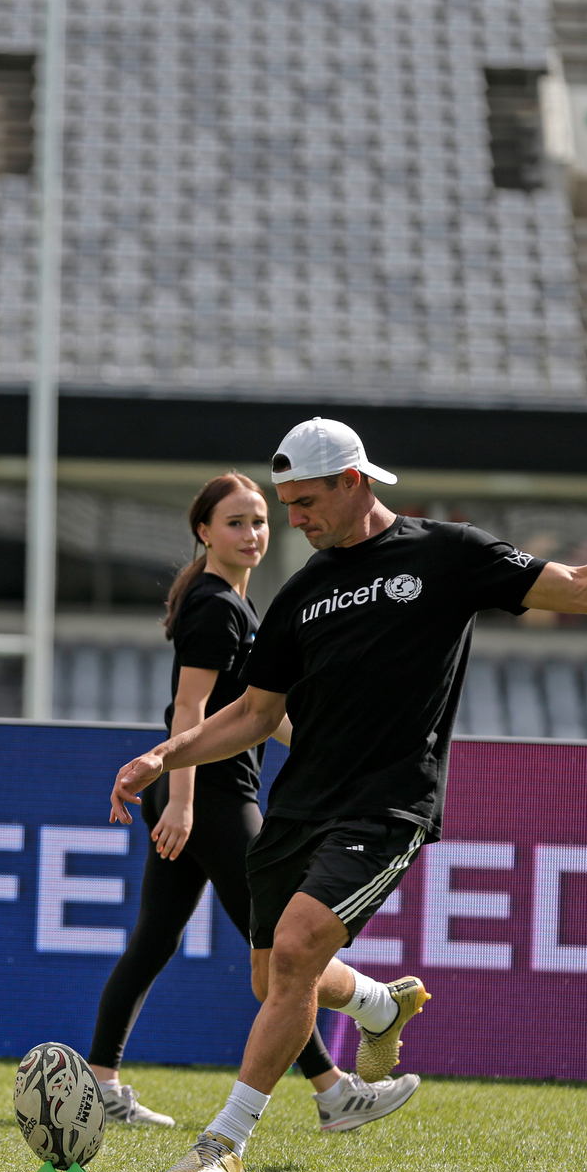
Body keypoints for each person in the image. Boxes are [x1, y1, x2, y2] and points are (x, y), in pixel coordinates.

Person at [111, 418, 587, 1172]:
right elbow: (255, 716)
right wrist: (165, 756)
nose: (291, 521)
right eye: (284, 505)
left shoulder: (448, 553)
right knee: (276, 982)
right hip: (299, 809)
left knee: (299, 950)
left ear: (355, 482)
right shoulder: (300, 593)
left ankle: (225, 1144)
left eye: (304, 503)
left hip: (386, 806)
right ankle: (376, 1004)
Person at [87, 471, 416, 1135]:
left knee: (156, 942)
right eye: (236, 522)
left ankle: (99, 1083)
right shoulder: (218, 606)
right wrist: (180, 802)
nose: (253, 533)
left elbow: (262, 716)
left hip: (207, 797)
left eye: (261, 521)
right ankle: (335, 1087)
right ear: (203, 532)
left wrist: (329, 752)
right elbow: (190, 708)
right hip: (210, 799)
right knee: (284, 957)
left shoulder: (230, 604)